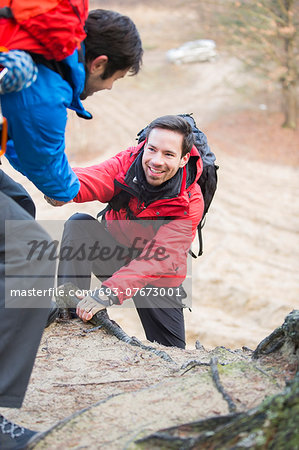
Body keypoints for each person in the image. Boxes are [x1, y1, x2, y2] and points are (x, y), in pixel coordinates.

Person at [0, 8, 143, 449]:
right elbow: (45, 167)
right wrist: (64, 190)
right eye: (112, 80)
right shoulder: (45, 87)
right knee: (31, 256)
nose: (107, 89)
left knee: (18, 203)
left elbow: (22, 150)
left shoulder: (31, 50)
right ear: (98, 63)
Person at [52, 115, 204, 350]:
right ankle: (71, 312)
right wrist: (61, 189)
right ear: (144, 145)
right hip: (117, 256)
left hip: (159, 277)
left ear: (184, 159)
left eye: (168, 154)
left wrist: (107, 293)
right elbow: (96, 177)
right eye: (152, 149)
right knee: (79, 224)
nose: (156, 160)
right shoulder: (127, 162)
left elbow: (158, 258)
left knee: (172, 354)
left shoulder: (191, 201)